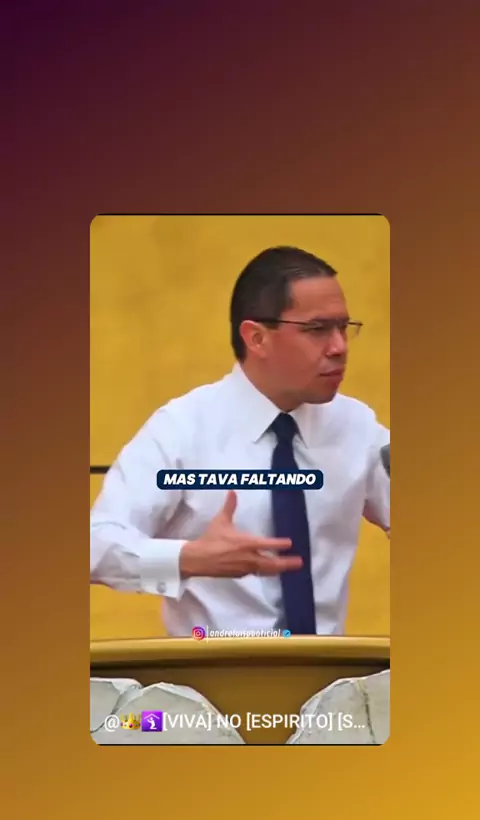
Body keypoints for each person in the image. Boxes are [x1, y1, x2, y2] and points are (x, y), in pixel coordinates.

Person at [90, 246, 390, 636]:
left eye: (343, 327)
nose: (339, 347)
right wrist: (187, 559)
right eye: (317, 329)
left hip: (330, 670)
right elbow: (95, 546)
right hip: (213, 666)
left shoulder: (357, 427)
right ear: (257, 338)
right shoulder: (183, 429)